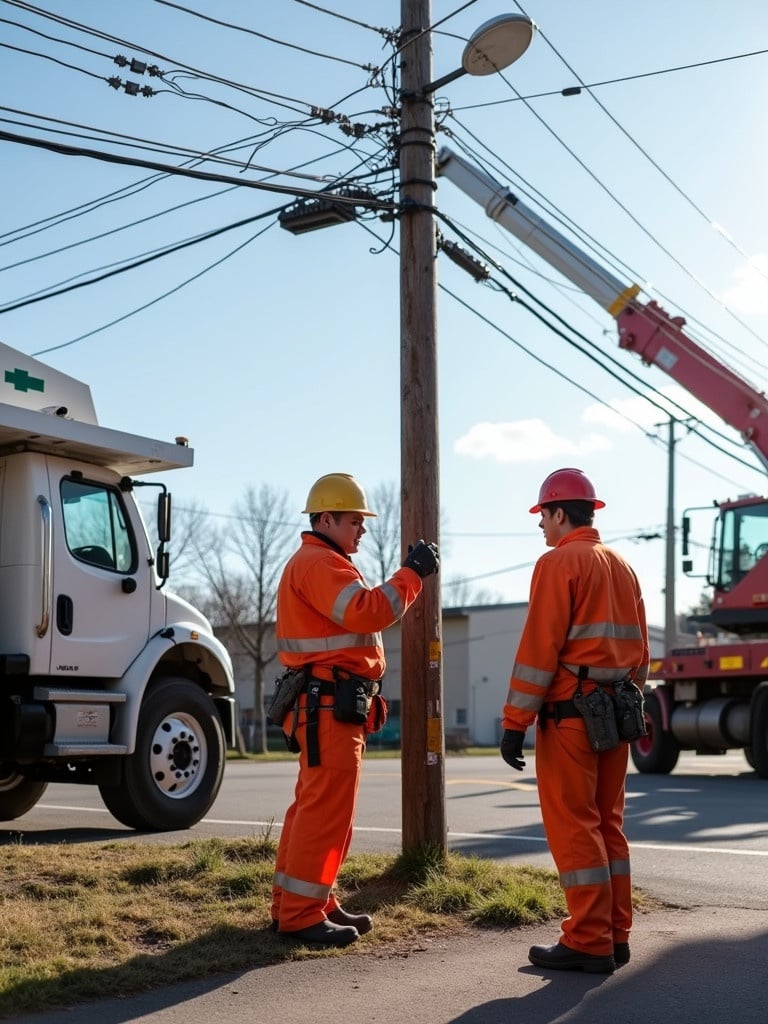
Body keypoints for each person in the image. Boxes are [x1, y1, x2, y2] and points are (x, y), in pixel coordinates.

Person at [270, 472, 439, 947]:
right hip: (327, 705)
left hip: (327, 703)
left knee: (315, 809)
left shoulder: (320, 562)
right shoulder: (321, 563)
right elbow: (368, 611)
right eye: (353, 521)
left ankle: (304, 904)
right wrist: (411, 575)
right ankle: (302, 913)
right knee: (324, 812)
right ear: (325, 519)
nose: (361, 529)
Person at [500, 468, 649, 975]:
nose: (541, 526)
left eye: (542, 515)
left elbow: (538, 649)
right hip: (616, 712)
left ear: (559, 513)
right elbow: (642, 653)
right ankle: (615, 935)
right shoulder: (622, 566)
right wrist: (630, 701)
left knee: (575, 827)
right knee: (609, 826)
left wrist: (514, 720)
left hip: (569, 718)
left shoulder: (558, 562)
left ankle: (587, 940)